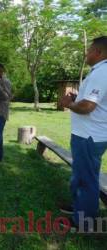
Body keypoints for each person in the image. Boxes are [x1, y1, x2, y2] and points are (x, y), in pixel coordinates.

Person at [60, 36, 107, 231]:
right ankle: (79, 207)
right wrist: (76, 98)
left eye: (89, 50)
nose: (86, 53)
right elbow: (88, 100)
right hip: (87, 135)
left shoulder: (102, 72)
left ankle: (84, 221)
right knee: (81, 175)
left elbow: (88, 106)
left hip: (89, 136)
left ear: (99, 53)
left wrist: (69, 104)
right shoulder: (98, 71)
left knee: (86, 178)